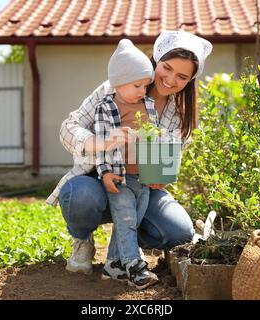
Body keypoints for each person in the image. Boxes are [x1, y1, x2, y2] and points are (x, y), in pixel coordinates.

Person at [46, 30, 213, 279]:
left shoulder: (180, 114)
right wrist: (100, 142)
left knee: (178, 231)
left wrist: (163, 175)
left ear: (189, 81)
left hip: (143, 185)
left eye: (181, 76)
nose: (169, 79)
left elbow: (171, 159)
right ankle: (82, 241)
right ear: (156, 60)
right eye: (166, 67)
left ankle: (126, 247)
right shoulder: (118, 86)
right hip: (99, 179)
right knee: (79, 195)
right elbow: (68, 128)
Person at [94, 39, 160, 289]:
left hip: (143, 176)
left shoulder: (149, 106)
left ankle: (113, 264)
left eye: (146, 85)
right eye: (137, 85)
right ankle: (135, 267)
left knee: (132, 220)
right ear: (118, 82)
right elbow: (102, 143)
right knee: (127, 220)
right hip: (119, 176)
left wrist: (157, 169)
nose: (143, 90)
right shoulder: (106, 107)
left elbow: (154, 138)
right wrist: (105, 173)